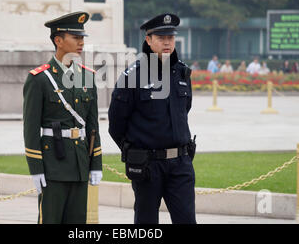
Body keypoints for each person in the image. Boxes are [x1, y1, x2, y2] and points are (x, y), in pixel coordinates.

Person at [108, 13, 196, 224]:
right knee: (146, 223)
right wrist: (134, 152)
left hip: (181, 163)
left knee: (187, 220)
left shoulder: (182, 72)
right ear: (148, 40)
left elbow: (185, 109)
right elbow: (116, 124)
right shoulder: (132, 77)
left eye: (171, 37)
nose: (167, 42)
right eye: (160, 37)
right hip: (148, 166)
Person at [23, 12, 102, 224]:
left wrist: (96, 163)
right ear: (58, 40)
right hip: (53, 166)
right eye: (75, 38)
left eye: (83, 38)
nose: (81, 42)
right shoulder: (39, 79)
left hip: (80, 164)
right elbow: (30, 130)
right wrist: (36, 169)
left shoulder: (87, 76)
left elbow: (93, 125)